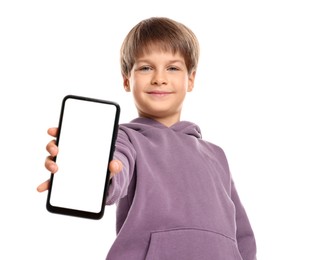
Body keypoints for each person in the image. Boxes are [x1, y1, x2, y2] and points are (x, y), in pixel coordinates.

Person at [37, 17, 257, 260]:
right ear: (126, 80)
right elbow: (116, 169)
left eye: (172, 68)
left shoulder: (216, 154)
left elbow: (242, 235)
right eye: (145, 67)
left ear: (191, 79)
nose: (159, 78)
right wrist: (97, 172)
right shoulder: (125, 139)